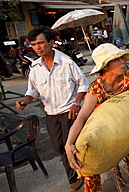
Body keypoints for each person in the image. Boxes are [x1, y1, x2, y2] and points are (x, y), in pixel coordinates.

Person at [65, 43, 129, 192]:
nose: (122, 61)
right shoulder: (96, 89)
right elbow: (82, 117)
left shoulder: (127, 79)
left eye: (121, 58)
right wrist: (69, 143)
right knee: (91, 167)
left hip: (123, 127)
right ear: (105, 66)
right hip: (102, 131)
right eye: (117, 59)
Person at [15, 27, 89, 192]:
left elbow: (83, 83)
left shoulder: (67, 63)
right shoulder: (35, 67)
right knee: (58, 146)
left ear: (51, 43)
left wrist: (77, 103)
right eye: (34, 44)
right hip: (51, 114)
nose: (38, 47)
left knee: (69, 145)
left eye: (41, 43)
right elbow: (32, 91)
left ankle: (76, 177)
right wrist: (25, 101)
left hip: (70, 112)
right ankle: (79, 170)